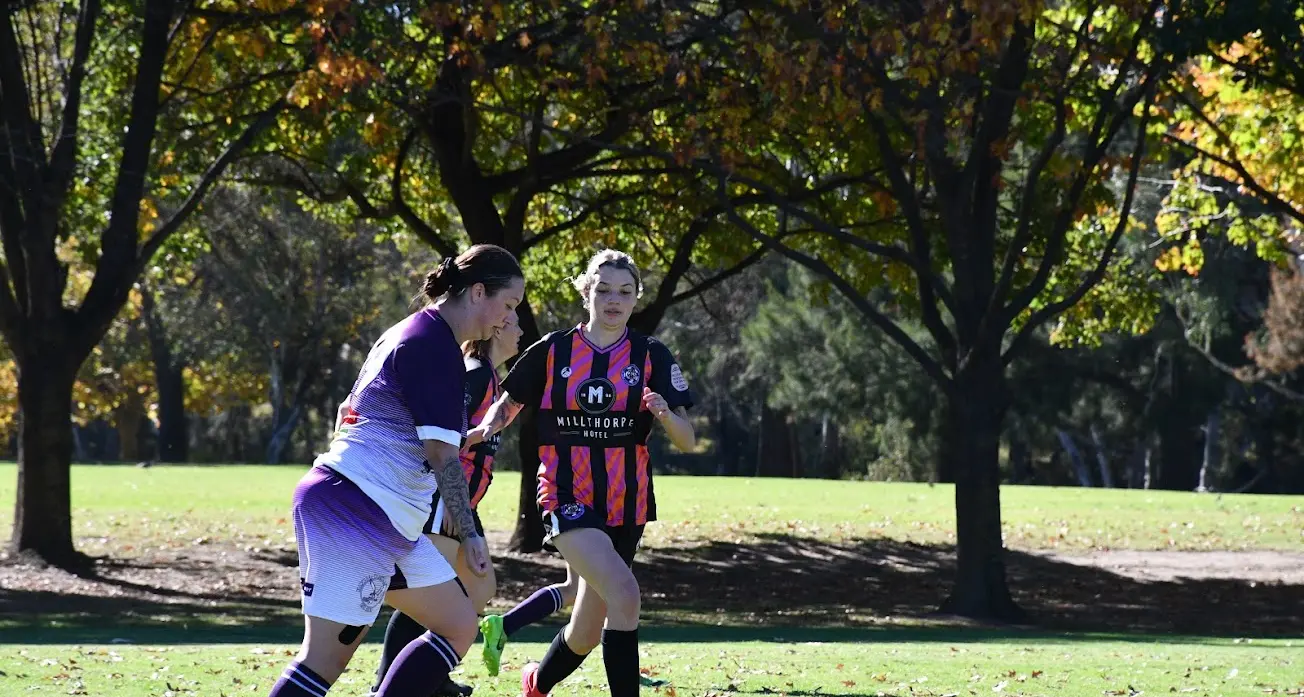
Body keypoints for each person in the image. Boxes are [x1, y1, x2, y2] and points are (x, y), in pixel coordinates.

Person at [266, 244, 525, 697]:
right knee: (324, 660)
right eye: (509, 304)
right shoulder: (434, 346)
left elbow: (348, 409)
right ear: (479, 291)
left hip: (384, 514)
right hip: (356, 509)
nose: (508, 317)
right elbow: (443, 456)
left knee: (458, 624)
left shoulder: (419, 334)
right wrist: (471, 533)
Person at [467, 249, 696, 697]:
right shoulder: (554, 350)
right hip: (565, 491)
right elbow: (509, 402)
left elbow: (688, 440)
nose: (614, 300)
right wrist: (482, 429)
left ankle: (536, 683)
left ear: (636, 298)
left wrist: (666, 414)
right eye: (604, 289)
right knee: (626, 595)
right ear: (586, 291)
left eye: (625, 292)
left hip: (626, 503)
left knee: (586, 631)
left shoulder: (652, 354)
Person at [368, 318, 544, 696]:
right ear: (497, 329)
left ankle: (428, 676)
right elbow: (440, 438)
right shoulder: (477, 375)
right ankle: (392, 682)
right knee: (436, 597)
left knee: (476, 591)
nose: (520, 332)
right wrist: (452, 497)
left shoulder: (493, 379)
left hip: (464, 502)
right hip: (445, 500)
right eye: (513, 321)